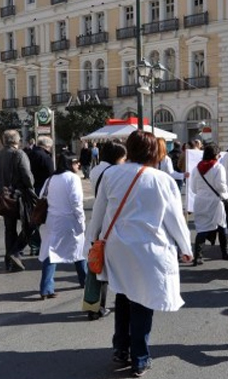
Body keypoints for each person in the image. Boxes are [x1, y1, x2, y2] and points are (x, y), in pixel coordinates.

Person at [86, 130, 193, 377]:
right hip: (149, 248)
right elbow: (175, 219)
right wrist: (185, 248)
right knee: (143, 300)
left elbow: (99, 212)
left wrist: (94, 241)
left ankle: (120, 348)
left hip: (116, 247)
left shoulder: (110, 174)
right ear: (153, 151)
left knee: (123, 295)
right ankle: (140, 357)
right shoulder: (162, 179)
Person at [86, 140, 126, 320]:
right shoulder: (114, 173)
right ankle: (113, 304)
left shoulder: (96, 170)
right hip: (111, 220)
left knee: (97, 266)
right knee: (116, 268)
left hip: (99, 217)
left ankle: (94, 305)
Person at [38, 154, 87, 299]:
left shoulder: (50, 179)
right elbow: (76, 201)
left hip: (53, 220)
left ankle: (46, 288)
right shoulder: (73, 178)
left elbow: (41, 196)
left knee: (51, 253)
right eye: (76, 162)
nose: (78, 165)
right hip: (70, 220)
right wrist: (81, 219)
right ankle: (84, 280)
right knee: (79, 250)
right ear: (70, 164)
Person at [0, 129, 37, 272]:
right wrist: (32, 191)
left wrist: (1, 192)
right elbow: (27, 176)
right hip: (19, 197)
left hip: (4, 197)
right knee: (31, 225)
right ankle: (14, 252)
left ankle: (10, 263)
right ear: (16, 140)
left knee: (9, 229)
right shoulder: (19, 154)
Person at [190, 143, 228, 265]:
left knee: (202, 228)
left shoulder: (196, 169)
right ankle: (225, 253)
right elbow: (221, 186)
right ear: (216, 155)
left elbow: (193, 188)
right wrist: (226, 196)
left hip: (200, 200)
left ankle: (198, 256)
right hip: (215, 201)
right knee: (222, 226)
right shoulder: (218, 168)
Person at [28, 136, 56, 257]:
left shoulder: (28, 154)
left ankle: (34, 246)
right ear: (47, 146)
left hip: (30, 190)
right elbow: (51, 176)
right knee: (46, 218)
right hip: (43, 191)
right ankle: (48, 244)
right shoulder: (46, 157)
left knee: (34, 218)